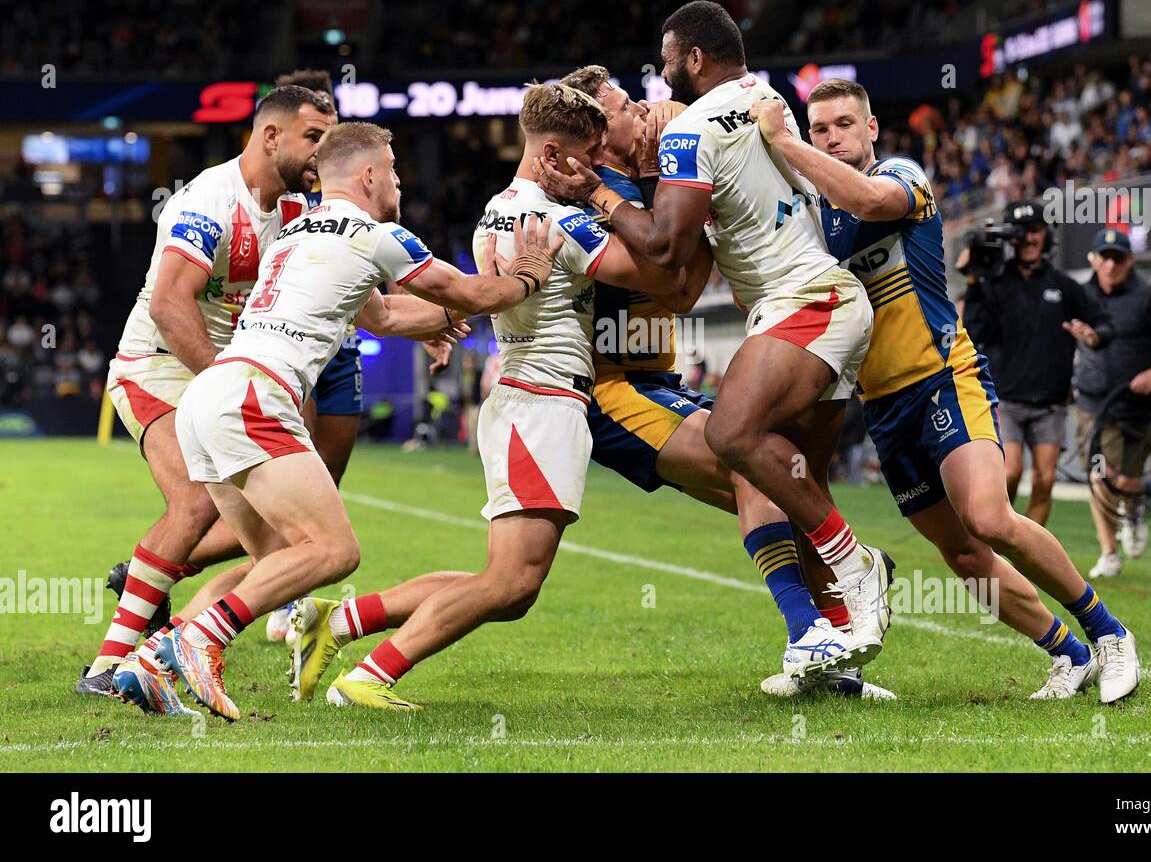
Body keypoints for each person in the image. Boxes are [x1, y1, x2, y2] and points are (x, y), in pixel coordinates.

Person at [306, 84, 725, 711]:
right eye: (586, 159)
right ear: (554, 153)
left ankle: (339, 623)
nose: (590, 173)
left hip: (531, 398)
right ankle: (371, 675)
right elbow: (671, 279)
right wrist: (677, 194)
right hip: (543, 400)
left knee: (510, 584)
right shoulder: (559, 219)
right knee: (511, 581)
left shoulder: (501, 204)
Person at [746, 78, 1140, 703]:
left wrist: (786, 143)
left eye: (844, 124)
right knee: (959, 554)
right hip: (882, 405)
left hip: (943, 379)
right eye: (819, 128)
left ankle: (1110, 634)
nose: (831, 137)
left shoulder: (902, 177)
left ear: (871, 129)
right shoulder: (813, 218)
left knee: (990, 518)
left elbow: (871, 200)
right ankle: (1066, 653)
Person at [156, 121, 560, 720]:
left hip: (210, 394)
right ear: (369, 176)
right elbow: (471, 293)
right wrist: (528, 276)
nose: (398, 181)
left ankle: (152, 667)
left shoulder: (294, 231)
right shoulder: (376, 233)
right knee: (335, 551)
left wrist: (432, 324)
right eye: (394, 170)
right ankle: (200, 638)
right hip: (255, 395)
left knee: (279, 560)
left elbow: (382, 314)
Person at [534, 1, 893, 669]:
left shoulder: (661, 158)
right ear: (593, 133)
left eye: (657, 78)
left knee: (768, 465)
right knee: (770, 469)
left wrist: (652, 170)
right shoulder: (581, 191)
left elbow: (682, 281)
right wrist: (627, 184)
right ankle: (829, 627)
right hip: (611, 387)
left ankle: (830, 630)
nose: (647, 103)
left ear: (693, 59)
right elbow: (674, 273)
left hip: (766, 321)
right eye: (625, 108)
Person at [74, 85, 337, 699]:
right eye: (314, 137)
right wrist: (230, 380)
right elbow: (169, 304)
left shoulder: (299, 208)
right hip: (158, 366)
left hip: (229, 375)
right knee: (193, 506)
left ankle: (166, 646)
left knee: (284, 541)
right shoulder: (210, 199)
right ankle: (105, 668)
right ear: (270, 135)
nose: (322, 153)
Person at [962, 199, 1112, 526]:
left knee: (1044, 481)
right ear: (1009, 238)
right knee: (1011, 471)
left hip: (1051, 402)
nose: (1029, 239)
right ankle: (996, 534)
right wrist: (973, 281)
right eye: (1021, 232)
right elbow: (972, 331)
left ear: (1046, 236)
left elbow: (1103, 323)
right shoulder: (996, 285)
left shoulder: (1064, 286)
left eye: (1036, 231)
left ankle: (1023, 556)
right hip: (1007, 399)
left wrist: (1094, 335)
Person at [1074, 227, 1151, 578]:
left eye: (1118, 258)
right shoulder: (1081, 296)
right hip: (1095, 405)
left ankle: (1134, 509)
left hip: (1141, 408)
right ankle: (1109, 551)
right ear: (1093, 260)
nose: (1111, 265)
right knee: (1101, 477)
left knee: (1128, 481)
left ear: (1130, 261)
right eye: (1105, 258)